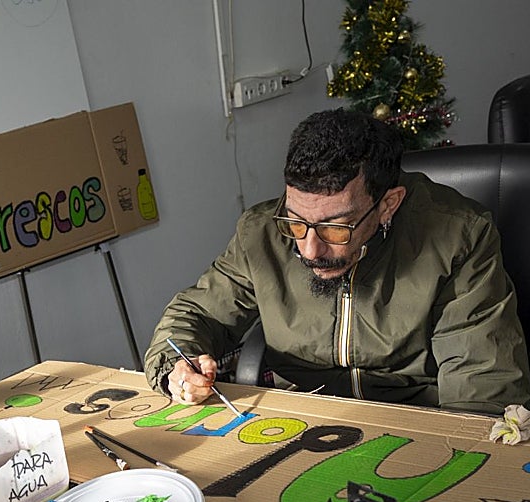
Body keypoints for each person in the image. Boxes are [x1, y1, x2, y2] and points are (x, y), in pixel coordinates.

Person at [144, 108, 530, 416]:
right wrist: (175, 368)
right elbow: (197, 313)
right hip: (301, 417)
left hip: (415, 418)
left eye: (335, 227)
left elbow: (481, 385)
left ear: (387, 205)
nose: (310, 249)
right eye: (296, 220)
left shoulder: (458, 236)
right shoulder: (261, 233)